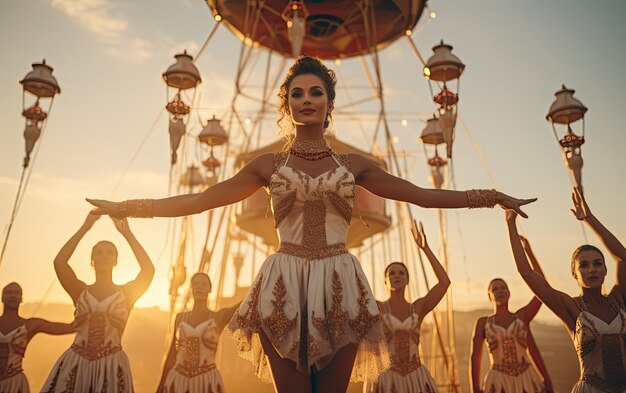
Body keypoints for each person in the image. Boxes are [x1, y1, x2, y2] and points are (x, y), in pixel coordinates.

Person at [88, 56, 535, 393]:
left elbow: (421, 194)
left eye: (315, 93)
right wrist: (128, 206)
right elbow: (202, 199)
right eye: (297, 94)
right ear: (287, 103)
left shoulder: (354, 164)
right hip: (283, 282)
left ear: (329, 103)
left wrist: (491, 197)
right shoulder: (267, 165)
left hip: (340, 280)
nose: (306, 101)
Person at [506, 187, 626, 392]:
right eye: (584, 265)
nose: (592, 270)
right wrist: (510, 224)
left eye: (597, 264)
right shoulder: (569, 306)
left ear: (606, 270)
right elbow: (526, 273)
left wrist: (589, 218)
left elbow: (623, 257)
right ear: (574, 274)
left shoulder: (619, 298)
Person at [41, 214, 155, 393]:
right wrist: (86, 226)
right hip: (76, 363)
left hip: (112, 365)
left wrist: (127, 233)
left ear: (116, 261)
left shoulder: (127, 294)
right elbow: (59, 262)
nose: (104, 256)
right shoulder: (79, 291)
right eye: (99, 252)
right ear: (92, 260)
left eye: (110, 252)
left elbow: (148, 270)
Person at [365, 220, 450, 393]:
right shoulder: (377, 307)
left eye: (401, 273)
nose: (397, 276)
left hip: (416, 378)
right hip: (386, 379)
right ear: (385, 281)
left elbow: (444, 282)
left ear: (407, 280)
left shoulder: (418, 307)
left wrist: (425, 249)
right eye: (392, 273)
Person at [469, 237, 552, 393]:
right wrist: (475, 389)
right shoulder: (482, 323)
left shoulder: (522, 317)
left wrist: (528, 251)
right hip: (497, 382)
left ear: (509, 292)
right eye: (495, 289)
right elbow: (475, 358)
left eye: (503, 288)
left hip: (527, 379)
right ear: (489, 296)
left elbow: (542, 287)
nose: (500, 291)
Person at [156, 272, 240, 393]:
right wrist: (160, 386)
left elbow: (244, 303)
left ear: (210, 289)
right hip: (178, 380)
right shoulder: (180, 318)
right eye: (195, 284)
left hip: (207, 382)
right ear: (191, 289)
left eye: (203, 284)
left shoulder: (218, 317)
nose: (199, 287)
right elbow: (172, 354)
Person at [0, 283, 74, 393]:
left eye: (17, 293)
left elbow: (71, 327)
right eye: (9, 292)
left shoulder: (31, 325)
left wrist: (79, 305)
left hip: (14, 382)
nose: (13, 295)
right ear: (2, 298)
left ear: (21, 299)